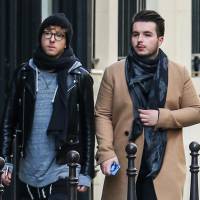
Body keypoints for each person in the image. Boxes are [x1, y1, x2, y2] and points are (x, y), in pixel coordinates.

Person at [95, 10, 200, 200]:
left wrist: (162, 117)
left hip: (163, 168)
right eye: (135, 34)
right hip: (124, 163)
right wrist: (105, 152)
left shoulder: (178, 72)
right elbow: (102, 114)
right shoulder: (114, 72)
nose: (139, 40)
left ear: (160, 40)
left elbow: (196, 110)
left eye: (147, 34)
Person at [0, 13, 95, 200]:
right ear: (40, 37)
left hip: (63, 168)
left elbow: (88, 127)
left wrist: (85, 172)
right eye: (47, 33)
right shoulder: (24, 73)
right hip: (28, 171)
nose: (52, 39)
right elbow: (8, 121)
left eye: (59, 35)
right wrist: (6, 162)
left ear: (66, 42)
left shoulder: (79, 77)